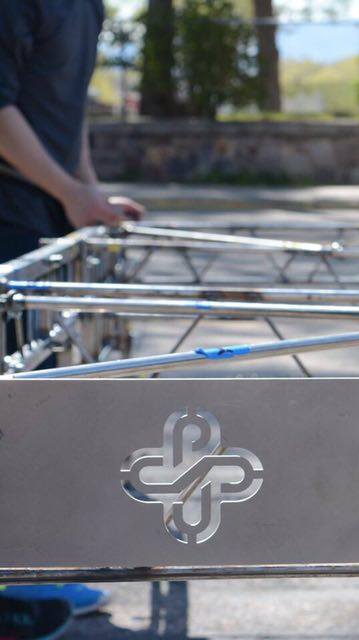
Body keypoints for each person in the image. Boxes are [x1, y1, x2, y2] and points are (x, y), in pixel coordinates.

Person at [0, 1, 146, 636]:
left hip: (43, 215)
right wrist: (67, 191)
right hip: (7, 210)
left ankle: (28, 569)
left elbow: (66, 111)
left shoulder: (87, 5)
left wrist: (86, 192)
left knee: (38, 396)